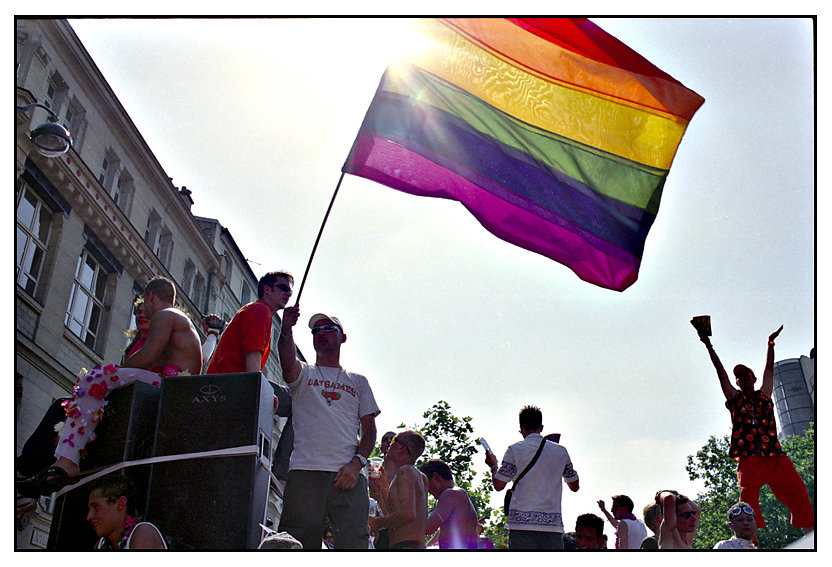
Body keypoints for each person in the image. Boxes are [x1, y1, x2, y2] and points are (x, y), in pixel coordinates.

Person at [18, 277, 202, 497]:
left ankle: (67, 460)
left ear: (150, 297)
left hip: (167, 388)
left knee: (93, 382)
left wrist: (116, 372)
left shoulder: (165, 315)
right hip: (172, 391)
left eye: (144, 303)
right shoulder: (179, 322)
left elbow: (147, 357)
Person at [276, 308, 380, 549]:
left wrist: (356, 465)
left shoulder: (358, 381)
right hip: (305, 471)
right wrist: (286, 329)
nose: (321, 333)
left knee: (353, 544)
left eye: (328, 329)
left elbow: (370, 430)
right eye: (316, 330)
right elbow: (287, 364)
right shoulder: (304, 373)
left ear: (342, 337)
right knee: (296, 544)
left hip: (348, 476)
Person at [697, 324, 814, 533]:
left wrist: (770, 345)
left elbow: (769, 369)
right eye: (738, 377)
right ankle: (750, 543)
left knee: (798, 491)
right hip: (750, 457)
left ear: (753, 378)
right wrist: (708, 345)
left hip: (774, 455)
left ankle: (811, 536)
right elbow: (720, 371)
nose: (741, 379)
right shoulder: (735, 398)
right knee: (748, 503)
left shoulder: (764, 395)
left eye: (745, 375)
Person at [484, 405, 579, 549]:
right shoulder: (560, 451)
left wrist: (493, 465)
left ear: (521, 429)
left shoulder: (514, 450)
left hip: (521, 526)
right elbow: (574, 486)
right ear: (541, 427)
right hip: (552, 527)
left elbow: (499, 485)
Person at [206, 271, 293, 374]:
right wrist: (255, 387)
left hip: (223, 382)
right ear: (267, 290)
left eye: (290, 291)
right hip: (228, 383)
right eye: (283, 288)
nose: (288, 294)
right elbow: (253, 355)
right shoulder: (261, 310)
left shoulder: (256, 310)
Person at [368, 430, 428, 549]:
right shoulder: (420, 477)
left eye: (395, 440)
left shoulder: (405, 471)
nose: (390, 443)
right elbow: (396, 516)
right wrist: (383, 488)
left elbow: (408, 515)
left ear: (402, 448)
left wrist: (376, 523)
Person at [87, 475, 166, 549]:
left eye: (96, 507)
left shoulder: (144, 533)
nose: (89, 516)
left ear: (120, 504)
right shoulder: (100, 544)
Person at [420, 459, 479, 549]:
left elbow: (427, 528)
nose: (428, 491)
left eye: (427, 486)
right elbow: (444, 533)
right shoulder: (460, 495)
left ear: (436, 477)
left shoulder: (450, 494)